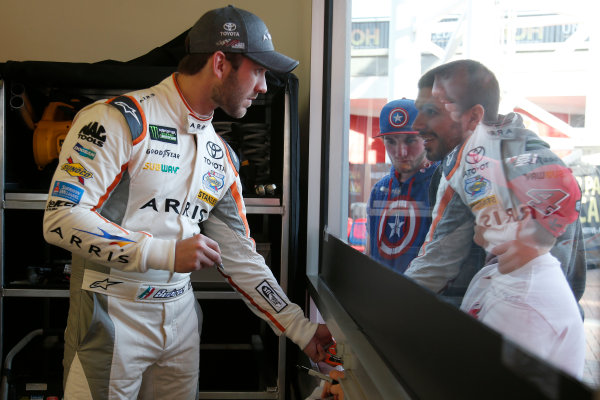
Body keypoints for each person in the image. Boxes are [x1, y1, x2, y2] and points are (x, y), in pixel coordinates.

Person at [42, 6, 332, 399]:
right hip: (111, 313)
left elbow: (240, 255)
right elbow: (60, 218)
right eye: (259, 71)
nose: (264, 86)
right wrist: (162, 253)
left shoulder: (222, 155)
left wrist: (302, 329)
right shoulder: (118, 119)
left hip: (180, 319)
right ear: (219, 63)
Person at [430, 59, 585, 377]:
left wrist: (529, 249)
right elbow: (439, 254)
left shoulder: (519, 158)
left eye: (439, 110)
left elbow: (563, 201)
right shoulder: (464, 161)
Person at [405, 60, 586, 308]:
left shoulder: (469, 168)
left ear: (474, 117)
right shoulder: (544, 161)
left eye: (432, 112)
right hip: (553, 325)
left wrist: (381, 310)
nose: (418, 125)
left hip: (502, 328)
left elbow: (435, 265)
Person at [366, 99, 438, 273]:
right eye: (391, 141)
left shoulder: (443, 186)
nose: (400, 152)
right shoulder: (379, 190)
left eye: (410, 140)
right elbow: (370, 252)